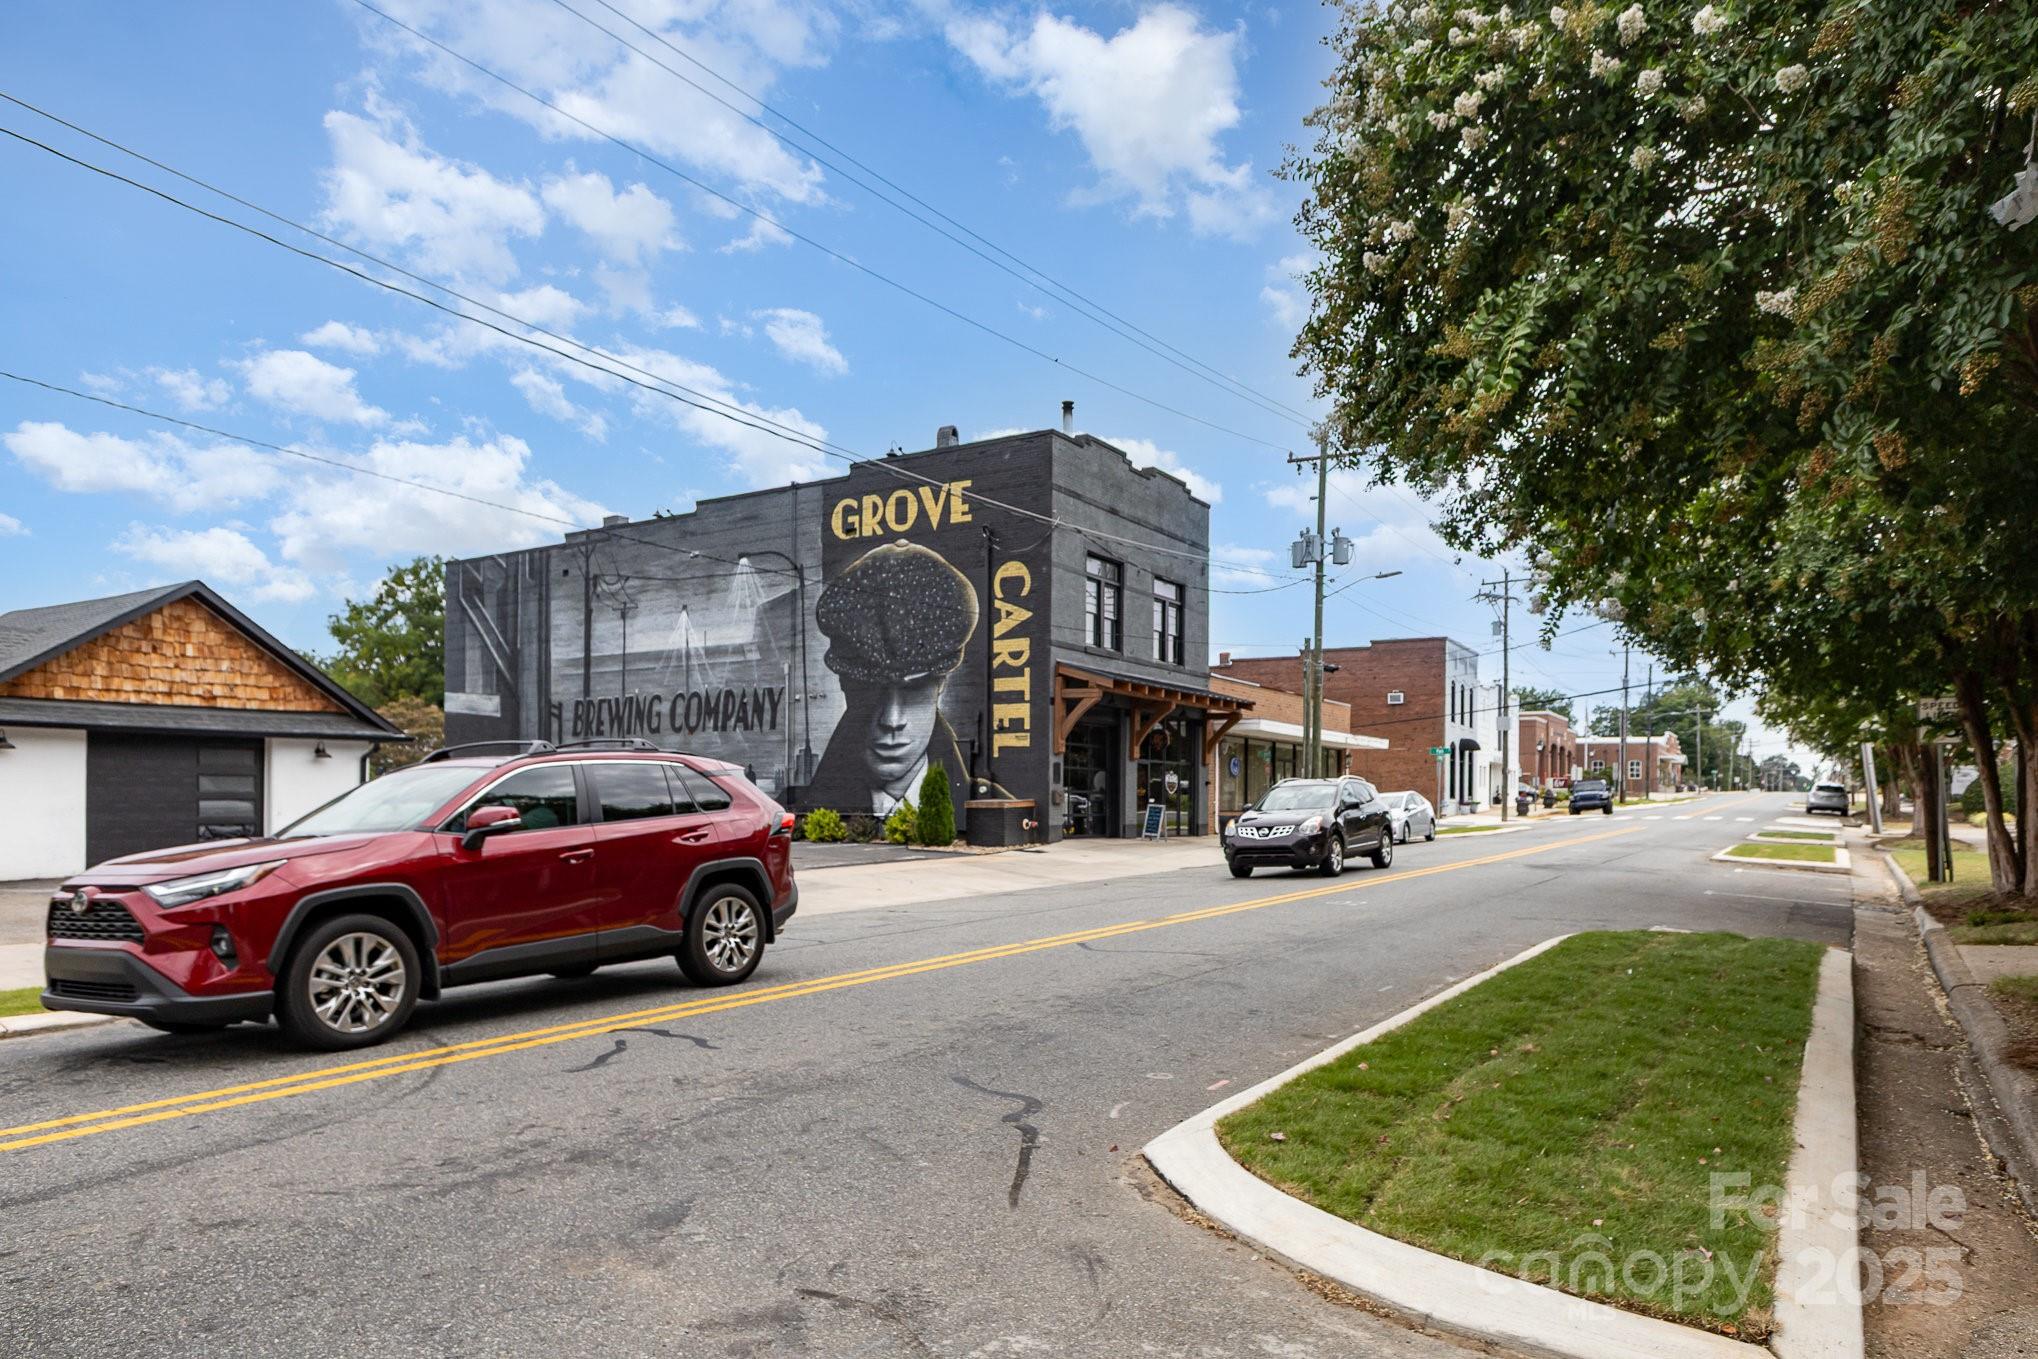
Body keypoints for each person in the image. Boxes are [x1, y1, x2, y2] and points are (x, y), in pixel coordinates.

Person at [807, 541, 977, 821]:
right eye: (869, 689)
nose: (892, 719)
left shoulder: (983, 802)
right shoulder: (804, 807)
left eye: (913, 690)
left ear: (941, 684)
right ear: (845, 685)